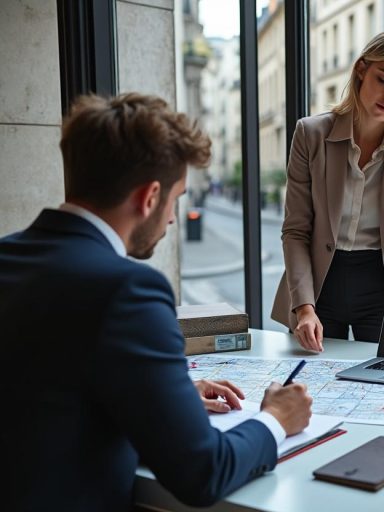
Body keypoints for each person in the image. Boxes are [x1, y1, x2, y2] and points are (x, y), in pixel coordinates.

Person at [0, 93, 313, 511]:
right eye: (176, 198)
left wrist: (166, 394)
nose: (171, 218)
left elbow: (50, 386)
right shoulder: (129, 290)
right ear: (149, 197)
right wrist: (276, 418)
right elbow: (203, 473)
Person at [271, 29, 384, 351]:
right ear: (361, 70)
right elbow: (296, 231)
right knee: (315, 388)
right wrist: (304, 308)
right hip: (318, 287)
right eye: (383, 80)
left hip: (382, 286)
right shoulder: (311, 134)